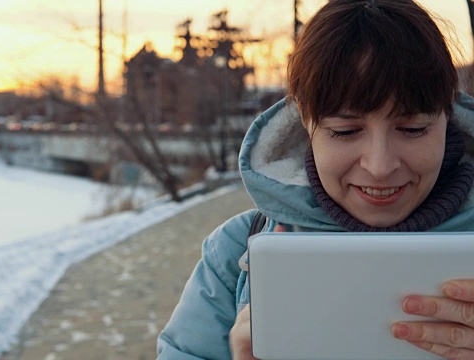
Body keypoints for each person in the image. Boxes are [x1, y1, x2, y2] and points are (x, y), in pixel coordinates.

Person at [156, 0, 474, 359]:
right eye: (345, 131)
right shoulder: (236, 253)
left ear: (449, 118)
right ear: (305, 124)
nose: (380, 165)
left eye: (413, 129)